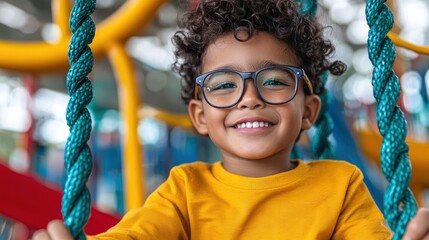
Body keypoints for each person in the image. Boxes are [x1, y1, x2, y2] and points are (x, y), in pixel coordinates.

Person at [31, 0, 429, 239]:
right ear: (200, 116)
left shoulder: (341, 185)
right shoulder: (184, 191)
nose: (249, 98)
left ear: (308, 111)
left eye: (274, 80)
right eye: (223, 85)